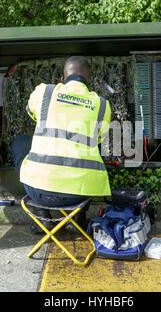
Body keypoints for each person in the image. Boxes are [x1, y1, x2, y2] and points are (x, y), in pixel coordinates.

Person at [10, 56, 112, 234]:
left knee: (21, 141)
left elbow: (31, 114)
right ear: (90, 81)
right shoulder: (102, 105)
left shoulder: (44, 92)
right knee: (93, 149)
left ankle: (44, 217)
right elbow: (98, 140)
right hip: (80, 192)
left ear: (63, 79)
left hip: (39, 191)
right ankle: (78, 219)